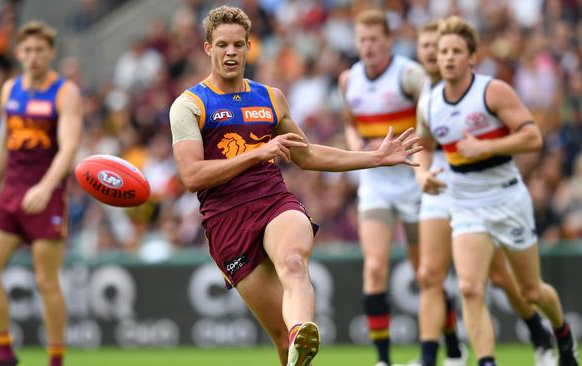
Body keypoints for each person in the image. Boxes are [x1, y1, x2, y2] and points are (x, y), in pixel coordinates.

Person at [169, 6, 422, 366]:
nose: (231, 53)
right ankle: (295, 345)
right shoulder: (190, 105)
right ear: (208, 48)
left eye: (238, 45)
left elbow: (307, 155)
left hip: (274, 202)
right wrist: (258, 153)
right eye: (223, 45)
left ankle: (303, 330)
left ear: (248, 47)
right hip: (226, 222)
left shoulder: (271, 98)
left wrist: (375, 158)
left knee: (293, 262)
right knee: (279, 340)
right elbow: (191, 175)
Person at [416, 15, 579, 366]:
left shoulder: (491, 91)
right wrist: (423, 176)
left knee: (531, 290)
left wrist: (487, 148)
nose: (447, 57)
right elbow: (425, 146)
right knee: (470, 288)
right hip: (464, 202)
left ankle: (562, 334)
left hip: (506, 197)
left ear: (471, 57)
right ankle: (487, 361)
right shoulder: (428, 103)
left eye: (456, 51)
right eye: (443, 51)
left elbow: (532, 136)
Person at [337, 9, 463, 366]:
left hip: (413, 180)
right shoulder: (349, 80)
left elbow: (433, 116)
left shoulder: (409, 75)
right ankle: (383, 360)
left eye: (375, 39)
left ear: (389, 41)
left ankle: (453, 348)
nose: (368, 46)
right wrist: (356, 147)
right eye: (362, 39)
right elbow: (351, 123)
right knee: (374, 267)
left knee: (427, 273)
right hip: (376, 183)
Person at [0, 21, 83, 366]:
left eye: (40, 50)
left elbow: (68, 149)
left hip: (46, 193)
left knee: (45, 281)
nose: (33, 56)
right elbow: (3, 147)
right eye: (28, 50)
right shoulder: (10, 90)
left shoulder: (65, 93)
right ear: (19, 54)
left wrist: (47, 186)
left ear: (51, 53)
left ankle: (55, 359)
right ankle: (5, 353)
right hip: (11, 192)